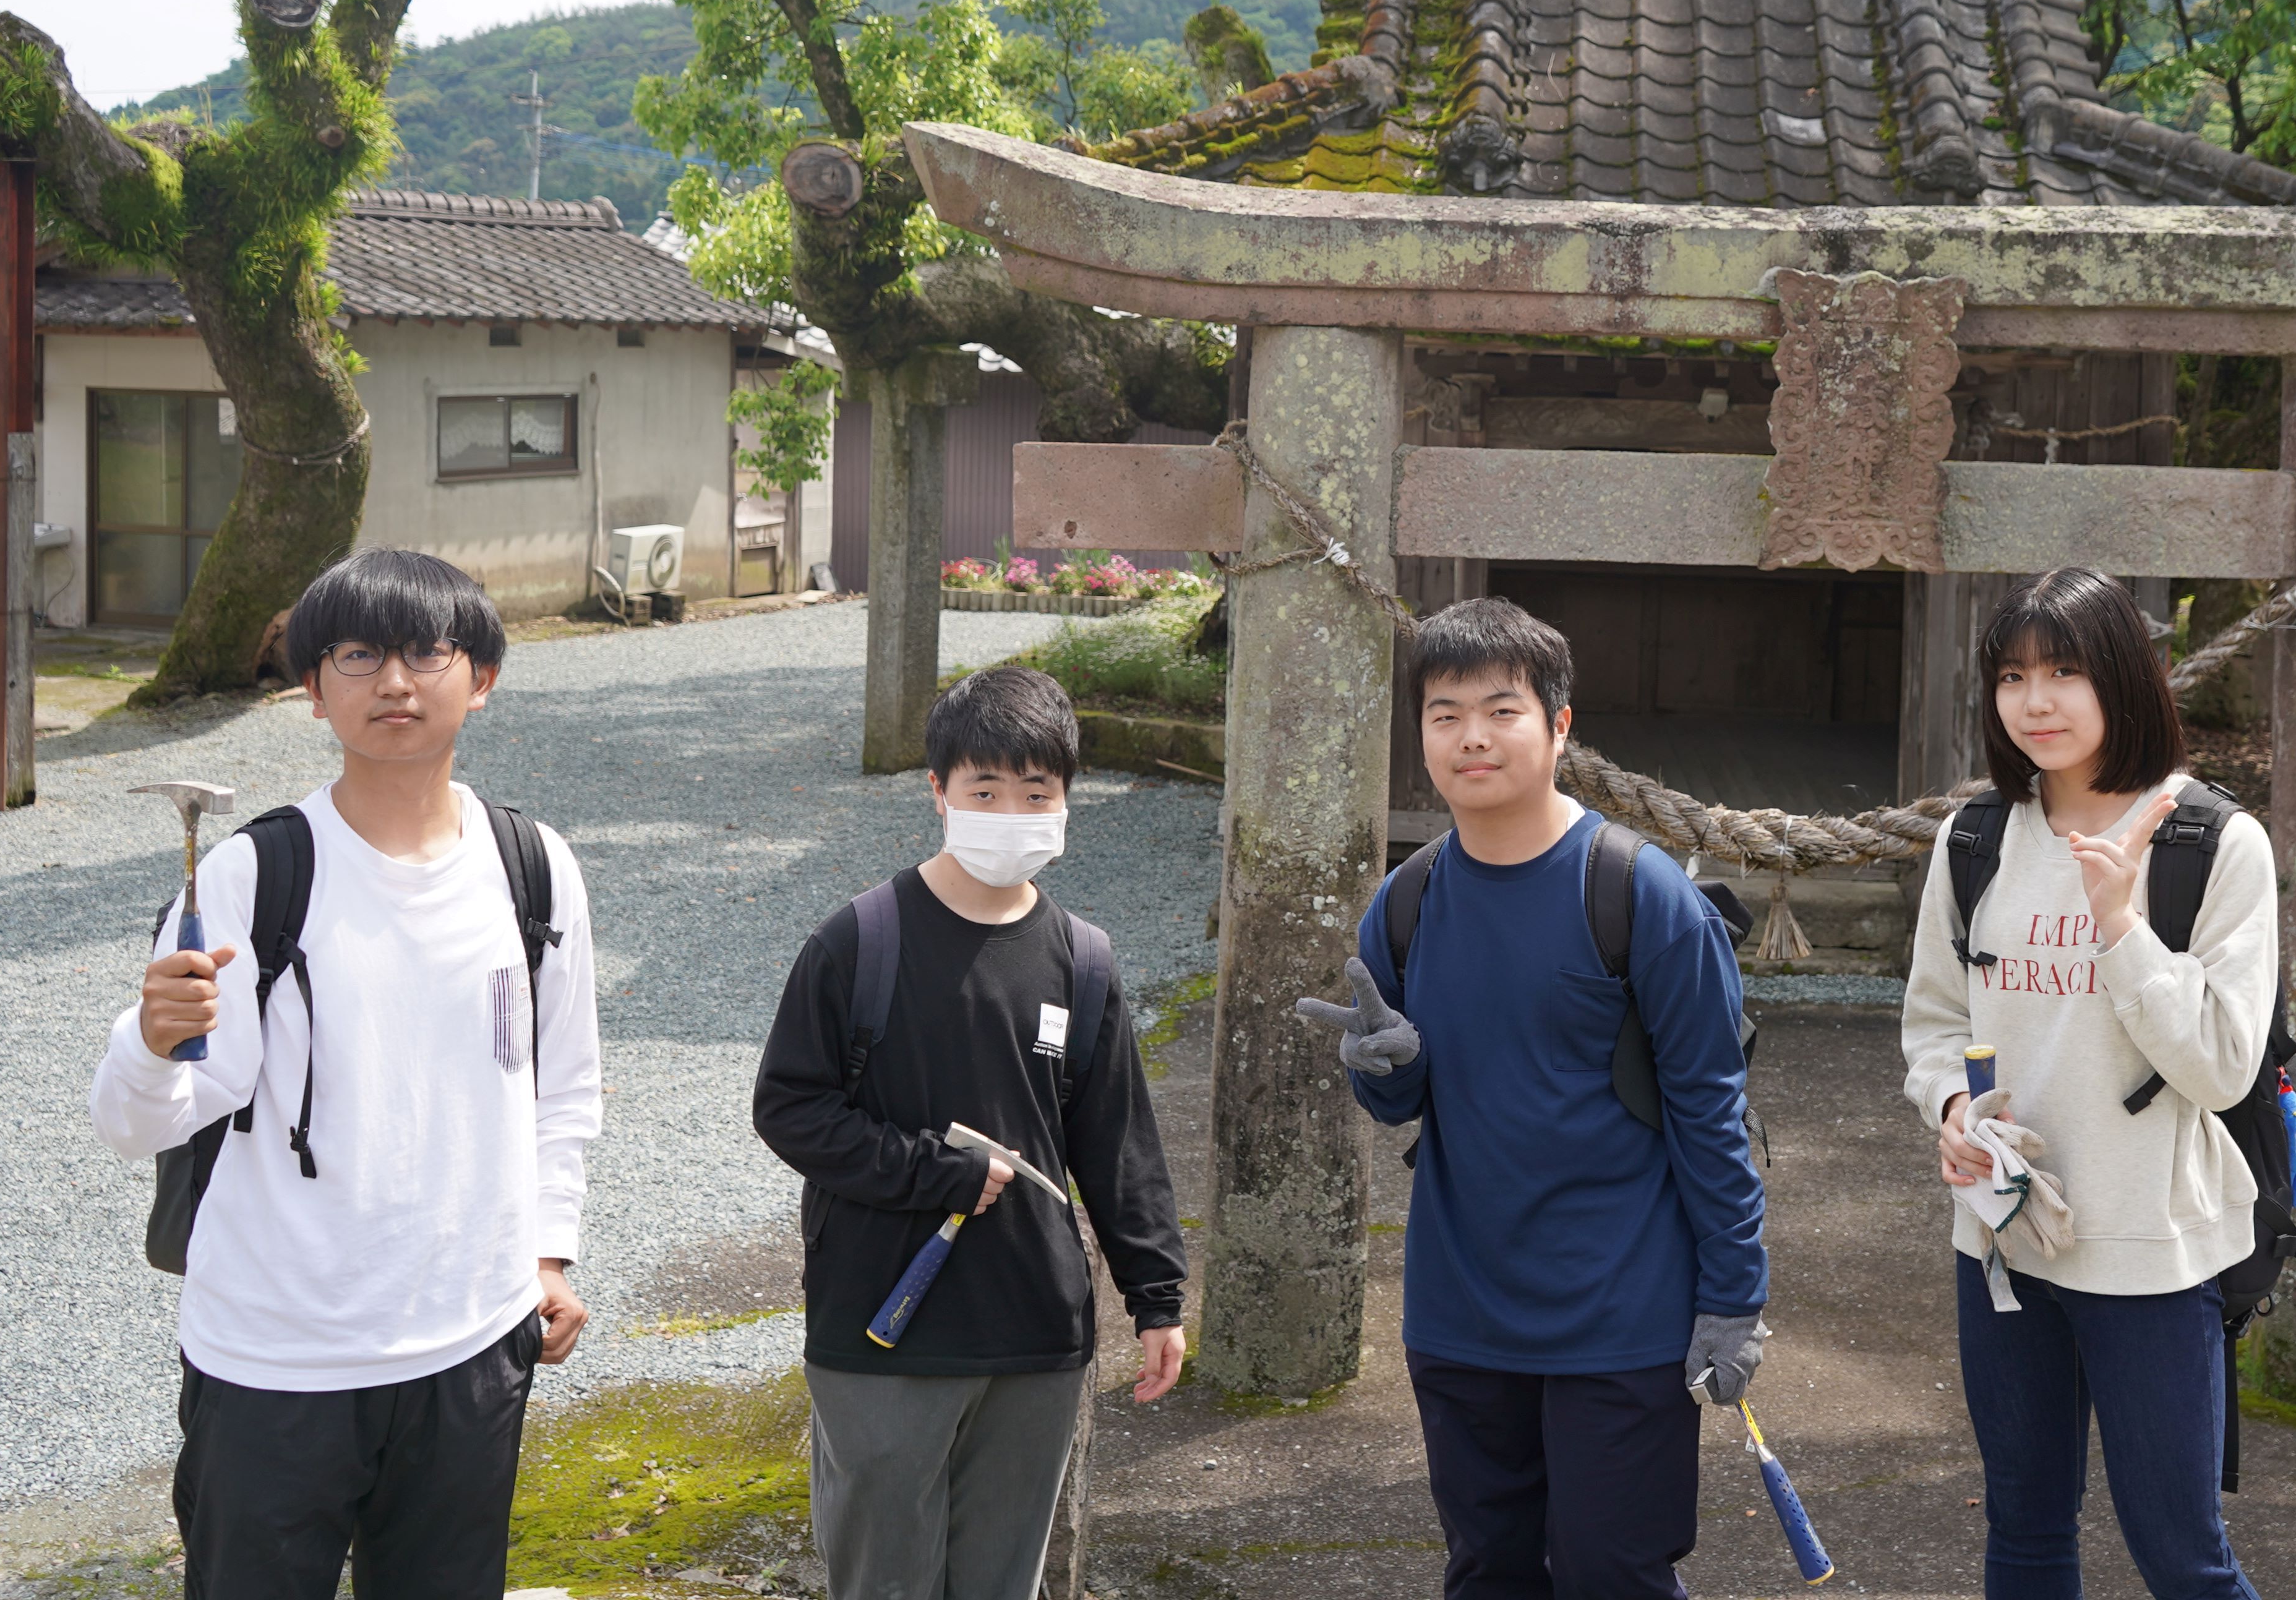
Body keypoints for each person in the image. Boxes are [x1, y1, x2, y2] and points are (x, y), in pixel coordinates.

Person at [90, 548, 602, 1600]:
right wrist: (147, 1040)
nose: (397, 684)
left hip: (471, 1344)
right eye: (358, 657)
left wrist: (548, 1253)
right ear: (313, 690)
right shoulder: (254, 875)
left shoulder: (534, 867)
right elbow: (145, 1120)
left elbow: (562, 1089)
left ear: (485, 678)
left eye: (430, 652)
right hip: (278, 1362)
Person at [1295, 597, 1767, 1600]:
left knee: (1614, 1574)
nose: (1471, 735)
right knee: (1488, 1572)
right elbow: (1398, 1110)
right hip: (1462, 1309)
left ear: (1559, 726)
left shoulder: (1640, 894)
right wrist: (1386, 1069)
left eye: (1502, 709)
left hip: (1624, 1314)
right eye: (1444, 712)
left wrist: (1734, 1294)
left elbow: (1709, 1112)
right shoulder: (1409, 899)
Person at [752, 665, 1187, 1600]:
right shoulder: (859, 941)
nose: (1013, 812)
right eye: (986, 790)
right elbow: (788, 1105)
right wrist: (930, 1171)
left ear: (1069, 801)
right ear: (938, 793)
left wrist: (1157, 1298)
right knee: (884, 1580)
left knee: (1004, 1583)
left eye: (1038, 793)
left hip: (1034, 1327)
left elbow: (1117, 1142)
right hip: (881, 1329)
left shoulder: (1084, 959)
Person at [1902, 567, 2272, 1600]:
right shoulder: (1975, 838)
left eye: (2065, 670)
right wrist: (1949, 1110)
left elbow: (2221, 1062)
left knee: (2182, 1557)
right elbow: (1936, 1022)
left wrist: (2121, 926)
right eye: (2013, 676)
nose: (2036, 701)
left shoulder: (2213, 843)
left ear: (2124, 676)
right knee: (2024, 1529)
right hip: (2002, 1240)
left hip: (2149, 1253)